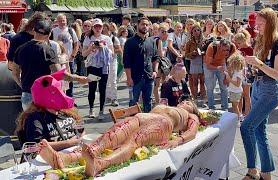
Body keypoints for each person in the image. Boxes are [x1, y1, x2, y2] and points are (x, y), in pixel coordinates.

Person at [38, 99, 200, 177]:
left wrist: (178, 140)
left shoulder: (189, 115)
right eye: (184, 101)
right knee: (108, 137)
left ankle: (99, 164)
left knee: (134, 141)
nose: (185, 102)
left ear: (192, 109)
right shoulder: (168, 105)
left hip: (163, 124)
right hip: (141, 118)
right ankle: (65, 158)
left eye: (188, 103)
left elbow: (192, 131)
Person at [240, 8, 278, 180]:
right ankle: (266, 174)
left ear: (270, 23)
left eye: (260, 23)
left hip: (270, 89)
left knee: (247, 127)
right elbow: (259, 67)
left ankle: (252, 171)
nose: (257, 26)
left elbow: (276, 73)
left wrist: (258, 63)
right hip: (258, 87)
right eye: (256, 23)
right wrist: (250, 66)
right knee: (259, 131)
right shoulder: (259, 39)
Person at [11, 20, 88, 110]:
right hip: (43, 93)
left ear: (34, 31)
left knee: (29, 122)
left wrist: (22, 85)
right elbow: (60, 74)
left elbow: (15, 72)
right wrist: (79, 78)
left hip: (27, 94)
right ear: (49, 34)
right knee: (45, 122)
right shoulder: (47, 50)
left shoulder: (21, 49)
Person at [15, 70, 83, 150]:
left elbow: (81, 130)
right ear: (46, 97)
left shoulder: (67, 112)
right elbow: (37, 146)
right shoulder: (34, 119)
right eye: (56, 93)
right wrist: (69, 143)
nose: (62, 96)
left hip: (74, 155)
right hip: (48, 159)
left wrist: (80, 137)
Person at [123, 16, 159, 113]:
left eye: (147, 25)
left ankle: (147, 123)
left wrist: (155, 71)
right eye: (143, 24)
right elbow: (126, 62)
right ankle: (132, 123)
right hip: (135, 78)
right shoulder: (129, 42)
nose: (145, 26)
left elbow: (155, 58)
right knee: (133, 102)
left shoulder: (152, 41)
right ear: (138, 25)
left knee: (148, 101)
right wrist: (129, 78)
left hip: (149, 77)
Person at [82, 18, 114, 119]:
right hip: (92, 66)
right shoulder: (88, 38)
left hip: (104, 67)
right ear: (93, 27)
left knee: (102, 89)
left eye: (99, 26)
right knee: (92, 89)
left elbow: (112, 54)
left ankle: (101, 111)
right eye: (96, 26)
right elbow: (83, 54)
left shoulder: (107, 38)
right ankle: (91, 109)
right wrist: (91, 48)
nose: (98, 28)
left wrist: (103, 48)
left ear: (102, 27)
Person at [51, 13, 80, 98]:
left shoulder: (71, 30)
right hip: (58, 60)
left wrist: (73, 56)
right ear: (57, 21)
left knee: (70, 79)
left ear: (66, 20)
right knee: (59, 80)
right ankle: (60, 97)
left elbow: (76, 44)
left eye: (63, 20)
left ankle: (70, 97)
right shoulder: (54, 31)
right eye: (60, 21)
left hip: (69, 59)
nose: (62, 22)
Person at [204, 39, 236, 110]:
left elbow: (231, 63)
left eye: (227, 50)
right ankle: (211, 107)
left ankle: (225, 107)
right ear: (219, 47)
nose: (226, 52)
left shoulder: (232, 47)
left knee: (224, 87)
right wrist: (217, 68)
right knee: (210, 87)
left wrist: (227, 76)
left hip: (222, 64)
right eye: (223, 50)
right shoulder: (212, 47)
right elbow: (208, 66)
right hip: (209, 65)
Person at [234, 30, 254, 116]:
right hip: (239, 71)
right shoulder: (238, 49)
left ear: (244, 40)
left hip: (247, 72)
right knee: (240, 94)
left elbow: (253, 62)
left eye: (239, 43)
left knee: (246, 94)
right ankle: (240, 114)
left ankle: (247, 113)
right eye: (237, 43)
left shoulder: (250, 49)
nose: (238, 45)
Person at [185, 24, 206, 100]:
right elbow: (186, 55)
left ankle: (203, 98)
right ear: (192, 33)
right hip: (193, 62)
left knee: (202, 82)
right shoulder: (189, 42)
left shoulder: (204, 41)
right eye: (194, 30)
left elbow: (208, 52)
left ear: (200, 31)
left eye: (198, 30)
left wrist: (203, 53)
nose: (196, 32)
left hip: (202, 62)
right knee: (195, 82)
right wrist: (192, 54)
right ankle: (195, 98)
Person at [103, 22, 121, 107]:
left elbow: (119, 50)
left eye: (106, 27)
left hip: (113, 61)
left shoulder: (114, 38)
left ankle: (114, 98)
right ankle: (108, 96)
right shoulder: (100, 38)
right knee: (105, 80)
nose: (104, 29)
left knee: (113, 80)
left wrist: (111, 51)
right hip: (103, 62)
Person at [223, 53, 245, 121]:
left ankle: (239, 118)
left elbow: (238, 84)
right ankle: (237, 117)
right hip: (233, 90)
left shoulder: (238, 72)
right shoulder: (235, 70)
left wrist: (230, 79)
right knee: (234, 106)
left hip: (236, 91)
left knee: (235, 106)